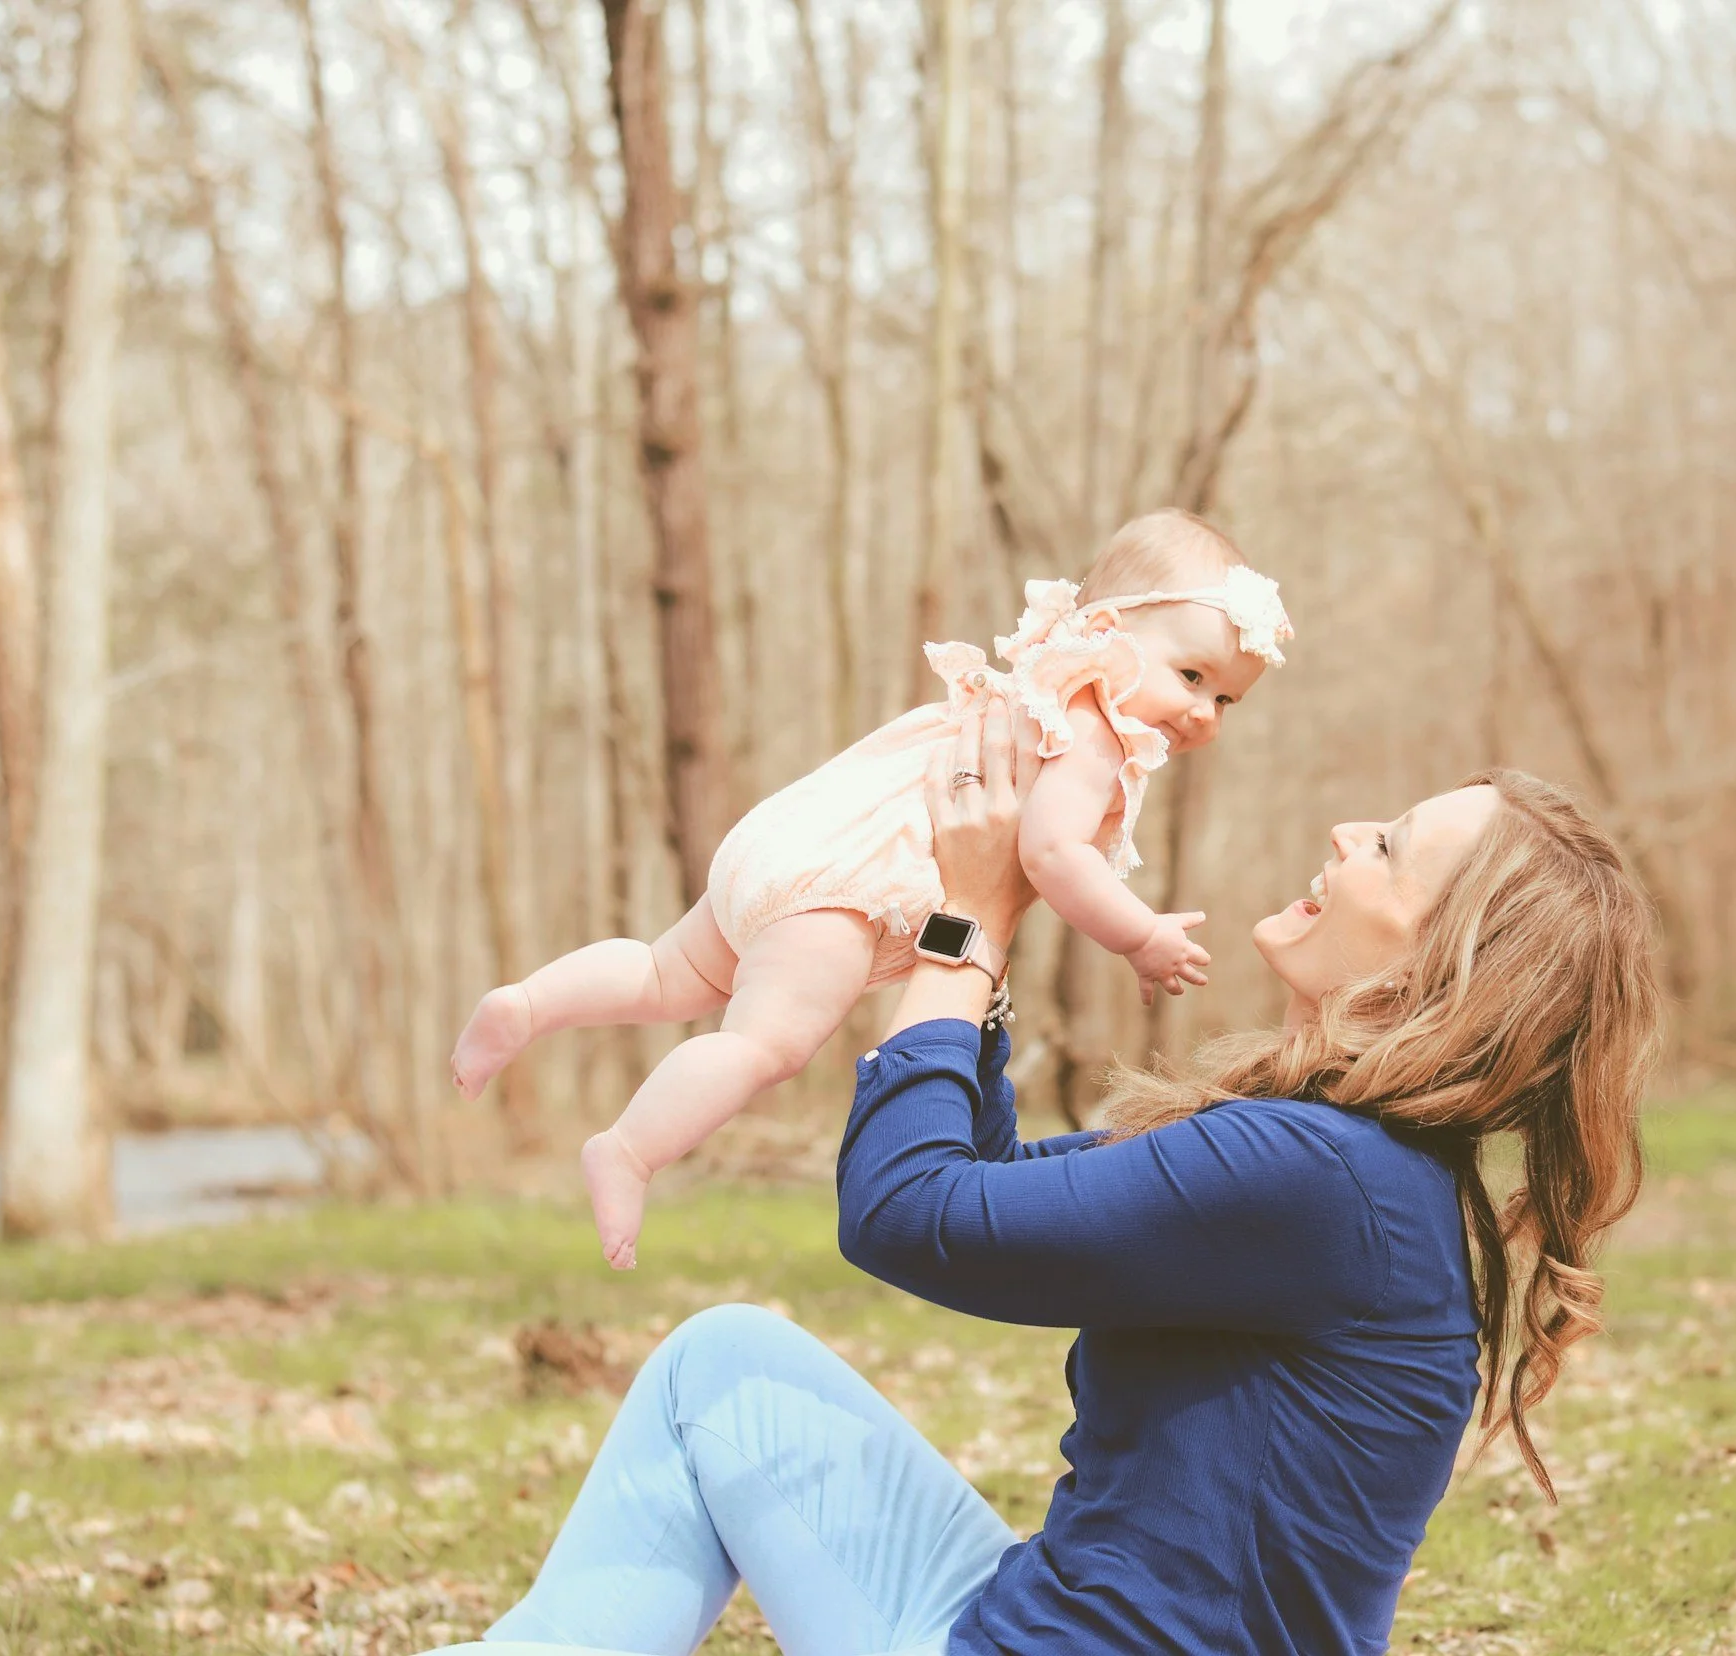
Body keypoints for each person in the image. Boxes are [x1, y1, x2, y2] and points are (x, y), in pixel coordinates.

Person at [432, 697, 1664, 1656]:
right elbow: (988, 1186)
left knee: (718, 1374)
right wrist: (974, 942)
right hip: (1027, 1614)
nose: (1347, 834)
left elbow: (908, 1215)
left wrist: (965, 927)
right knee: (725, 1366)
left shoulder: (1317, 1178)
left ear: (1435, 972)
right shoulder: (1349, 1170)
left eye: (1387, 849)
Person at [447, 509, 1294, 1268]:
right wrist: (1137, 935)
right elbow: (1050, 854)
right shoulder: (1093, 729)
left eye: (1228, 699)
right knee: (764, 1047)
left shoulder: (1039, 682)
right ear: (1108, 631)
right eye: (1192, 677)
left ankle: (529, 1004)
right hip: (844, 888)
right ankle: (630, 1150)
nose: (1205, 714)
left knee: (668, 974)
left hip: (794, 837)